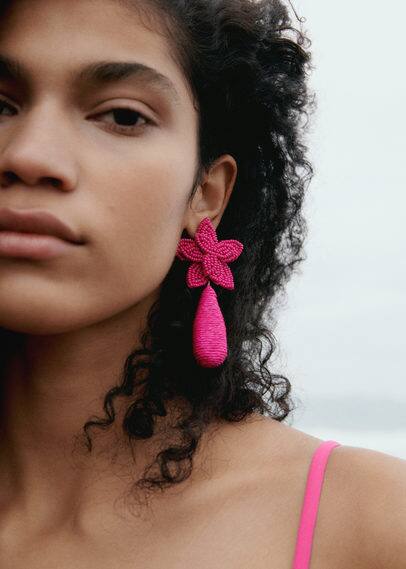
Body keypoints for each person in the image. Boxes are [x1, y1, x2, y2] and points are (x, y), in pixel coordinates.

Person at [0, 0, 404, 567]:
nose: (28, 155)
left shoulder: (372, 522)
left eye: (121, 116)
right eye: (1, 105)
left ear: (207, 194)